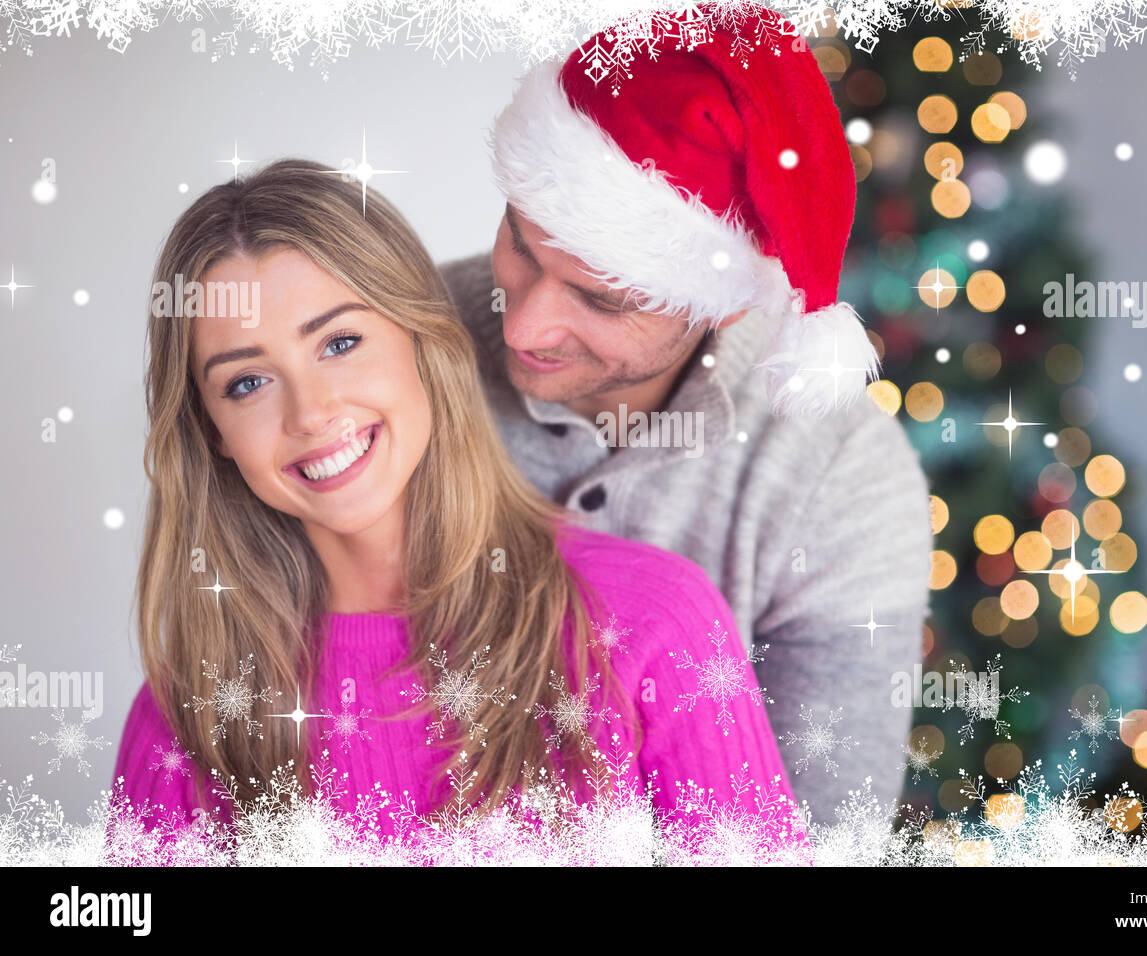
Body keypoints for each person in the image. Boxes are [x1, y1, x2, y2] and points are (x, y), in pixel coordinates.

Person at [109, 158, 804, 862]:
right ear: (212, 432)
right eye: (248, 381)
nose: (313, 413)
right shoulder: (185, 719)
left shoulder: (655, 622)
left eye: (340, 343)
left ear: (425, 343)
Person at [437, 5, 933, 822]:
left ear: (725, 304)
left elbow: (817, 831)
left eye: (600, 297)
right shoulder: (400, 346)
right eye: (521, 244)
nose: (521, 326)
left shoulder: (843, 480)